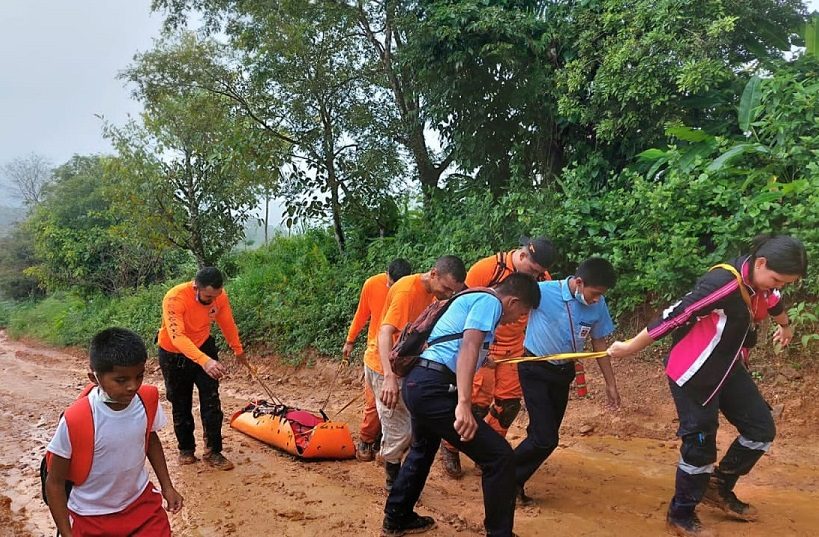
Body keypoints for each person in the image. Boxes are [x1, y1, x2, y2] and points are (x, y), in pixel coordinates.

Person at [607, 235, 807, 537]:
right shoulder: (722, 283)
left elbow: (774, 300)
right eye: (776, 279)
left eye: (785, 282)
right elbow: (674, 315)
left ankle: (718, 486)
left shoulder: (762, 282)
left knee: (760, 429)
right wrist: (630, 348)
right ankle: (681, 513)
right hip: (694, 373)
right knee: (700, 444)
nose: (777, 286)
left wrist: (785, 326)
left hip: (727, 367)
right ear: (761, 263)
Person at [382, 273, 541, 537]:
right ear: (513, 302)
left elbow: (462, 347)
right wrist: (464, 404)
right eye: (523, 313)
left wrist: (483, 359)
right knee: (499, 456)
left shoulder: (475, 297)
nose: (518, 319)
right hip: (434, 388)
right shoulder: (490, 303)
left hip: (419, 383)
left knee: (422, 451)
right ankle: (499, 533)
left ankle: (396, 519)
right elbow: (468, 345)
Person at [45, 328, 184, 537]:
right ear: (94, 378)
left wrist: (167, 486)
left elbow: (150, 439)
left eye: (139, 376)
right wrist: (67, 533)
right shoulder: (76, 420)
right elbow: (54, 482)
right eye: (121, 380)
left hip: (142, 508)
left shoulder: (146, 401)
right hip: (90, 517)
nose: (133, 386)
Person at [440, 236, 556, 478]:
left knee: (509, 405)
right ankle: (451, 445)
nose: (536, 277)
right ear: (523, 256)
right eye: (533, 270)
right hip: (482, 346)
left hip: (515, 349)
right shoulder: (487, 269)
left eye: (540, 273)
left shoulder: (543, 279)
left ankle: (488, 450)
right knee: (476, 404)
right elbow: (459, 303)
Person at [514, 257, 621, 505]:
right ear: (580, 282)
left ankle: (513, 478)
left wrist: (610, 383)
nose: (596, 299)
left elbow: (599, 343)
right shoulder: (542, 292)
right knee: (546, 438)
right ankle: (505, 476)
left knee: (542, 433)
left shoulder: (598, 304)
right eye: (594, 293)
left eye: (601, 295)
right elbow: (508, 304)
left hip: (563, 374)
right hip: (534, 369)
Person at [375, 255, 467, 491]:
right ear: (433, 273)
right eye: (446, 288)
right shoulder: (407, 292)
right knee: (399, 428)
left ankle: (394, 463)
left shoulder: (434, 294)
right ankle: (393, 479)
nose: (448, 294)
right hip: (385, 366)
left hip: (407, 364)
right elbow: (384, 333)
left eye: (452, 291)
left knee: (409, 426)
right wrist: (389, 377)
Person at [157, 266, 244, 471]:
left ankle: (214, 451)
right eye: (207, 296)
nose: (212, 300)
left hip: (203, 345)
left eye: (216, 295)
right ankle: (186, 449)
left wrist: (238, 349)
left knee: (212, 399)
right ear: (196, 287)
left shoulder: (219, 297)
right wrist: (204, 361)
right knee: (180, 400)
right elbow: (177, 337)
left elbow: (227, 322)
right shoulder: (175, 298)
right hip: (174, 352)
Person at [343, 258, 412, 462]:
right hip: (376, 355)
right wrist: (350, 340)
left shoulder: (412, 291)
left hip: (403, 357)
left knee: (399, 407)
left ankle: (388, 446)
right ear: (386, 275)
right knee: (374, 403)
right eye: (391, 284)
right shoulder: (373, 285)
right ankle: (366, 439)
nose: (392, 289)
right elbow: (361, 314)